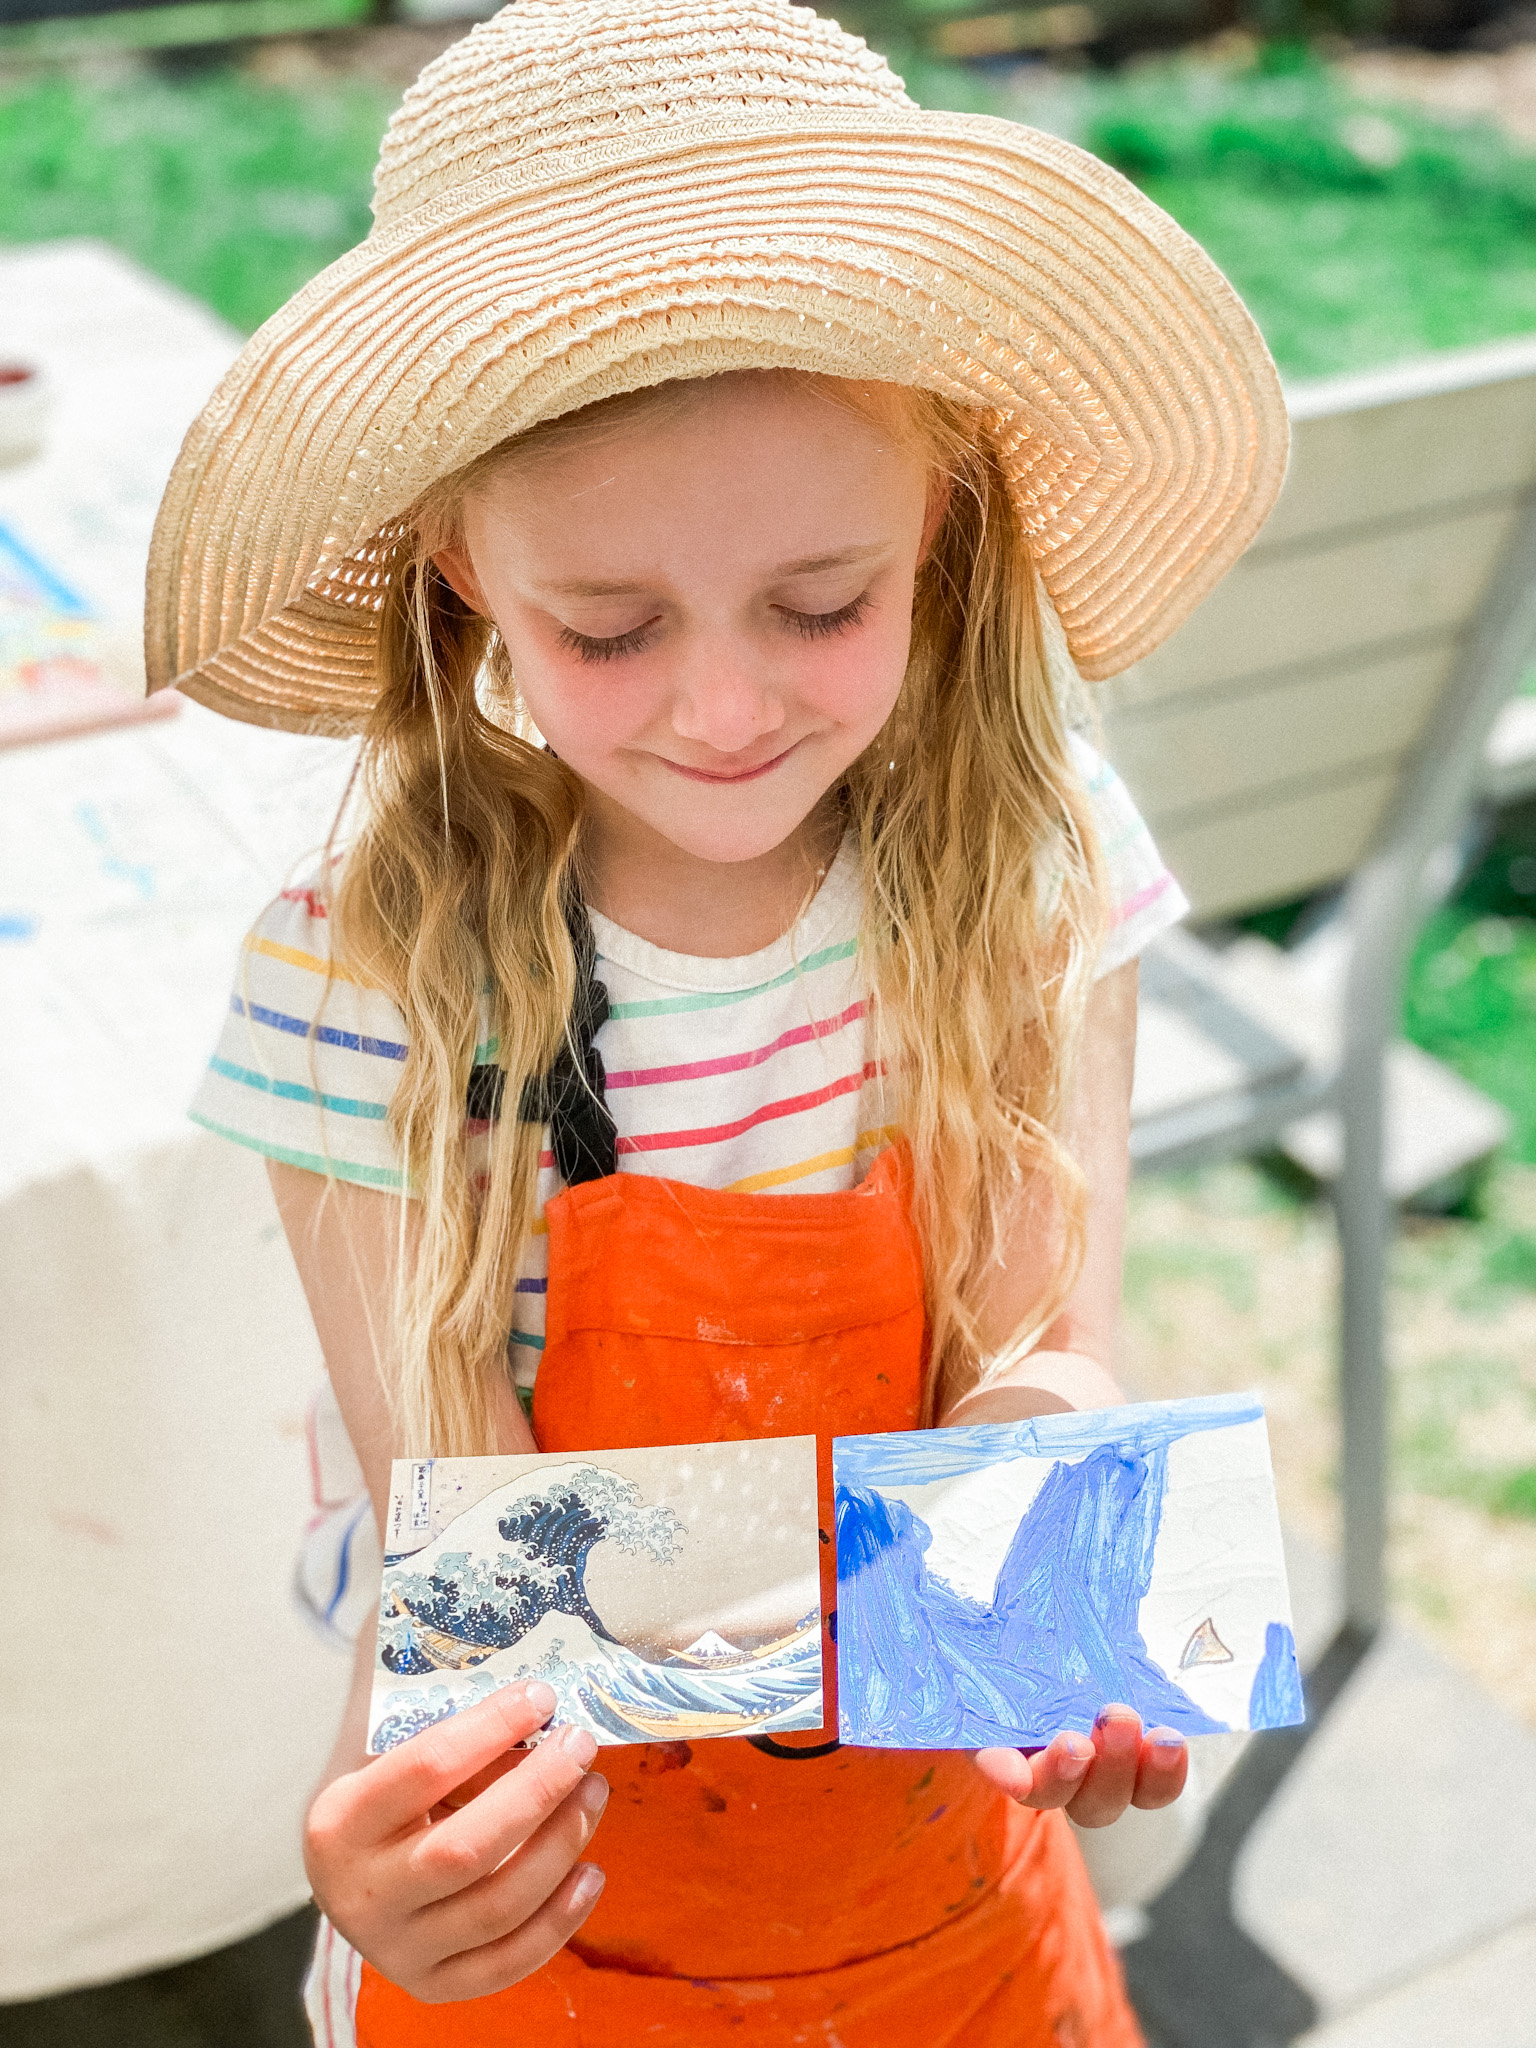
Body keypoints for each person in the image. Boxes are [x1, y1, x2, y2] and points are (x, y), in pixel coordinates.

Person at [147, 2, 1287, 2041]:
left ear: (940, 514)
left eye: (820, 603)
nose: (728, 708)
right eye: (610, 628)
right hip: (564, 1951)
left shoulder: (1031, 871)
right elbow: (465, 1569)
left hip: (950, 1917)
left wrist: (1053, 1595)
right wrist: (387, 1862)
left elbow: (1040, 1349)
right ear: (461, 569)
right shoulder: (366, 976)